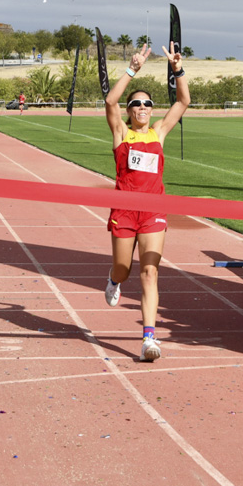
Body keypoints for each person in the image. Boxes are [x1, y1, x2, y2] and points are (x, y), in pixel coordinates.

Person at [103, 43, 189, 362]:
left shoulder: (158, 132)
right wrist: (131, 69)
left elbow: (183, 101)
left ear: (152, 109)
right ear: (129, 110)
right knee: (124, 270)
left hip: (152, 211)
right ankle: (113, 280)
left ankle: (149, 339)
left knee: (149, 272)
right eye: (136, 104)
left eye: (147, 103)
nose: (142, 107)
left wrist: (177, 69)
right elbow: (110, 100)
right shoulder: (121, 133)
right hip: (124, 212)